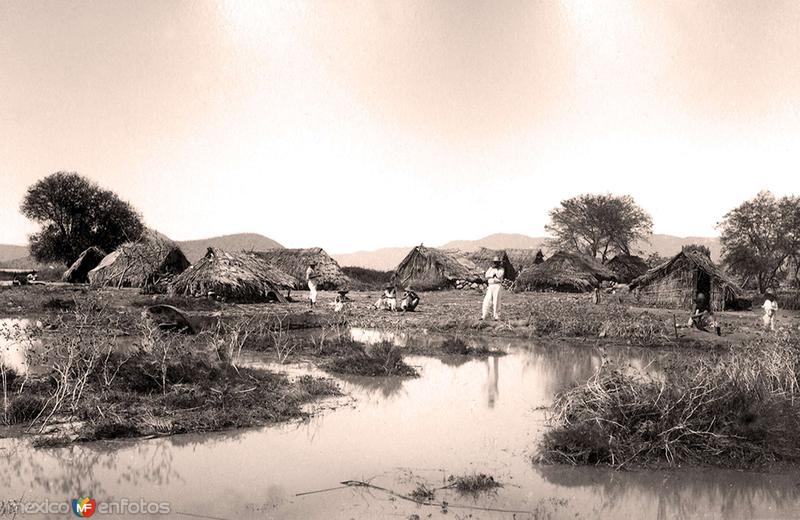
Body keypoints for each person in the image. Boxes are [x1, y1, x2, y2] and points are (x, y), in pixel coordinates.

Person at [481, 256, 504, 320]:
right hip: (490, 285)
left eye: (497, 262)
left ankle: (496, 316)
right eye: (495, 262)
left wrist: (493, 274)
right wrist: (492, 275)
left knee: (496, 301)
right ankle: (484, 315)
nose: (495, 264)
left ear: (499, 263)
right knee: (487, 300)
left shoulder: (501, 269)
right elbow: (486, 275)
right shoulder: (491, 268)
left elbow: (498, 275)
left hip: (497, 285)